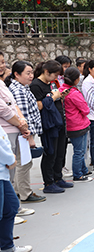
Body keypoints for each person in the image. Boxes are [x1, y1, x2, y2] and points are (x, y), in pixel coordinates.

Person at [31, 61, 74, 193]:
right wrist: (53, 97)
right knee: (50, 153)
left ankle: (57, 178)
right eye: (54, 75)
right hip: (48, 124)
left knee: (60, 152)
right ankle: (48, 182)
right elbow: (39, 105)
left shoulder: (50, 83)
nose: (56, 78)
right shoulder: (35, 85)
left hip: (58, 121)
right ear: (46, 72)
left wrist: (59, 96)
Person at [8, 61, 45, 203]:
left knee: (22, 162)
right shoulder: (19, 91)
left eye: (31, 73)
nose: (31, 76)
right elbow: (24, 116)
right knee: (24, 163)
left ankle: (19, 191)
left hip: (24, 132)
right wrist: (29, 137)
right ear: (17, 74)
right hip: (23, 133)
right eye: (27, 73)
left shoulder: (23, 87)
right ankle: (25, 193)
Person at [0, 123, 32, 252]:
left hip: (2, 172)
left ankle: (7, 247)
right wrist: (9, 159)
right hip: (3, 164)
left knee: (11, 206)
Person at [59, 68, 92, 182]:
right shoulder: (74, 93)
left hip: (69, 124)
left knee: (79, 150)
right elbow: (85, 109)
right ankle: (78, 174)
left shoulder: (61, 90)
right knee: (79, 151)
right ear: (77, 79)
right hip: (78, 124)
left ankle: (83, 170)